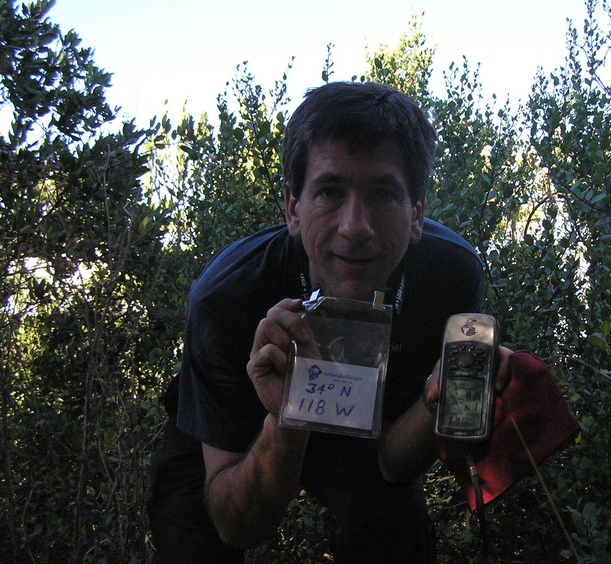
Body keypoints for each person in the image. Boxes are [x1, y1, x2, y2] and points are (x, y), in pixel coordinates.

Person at [148, 81, 513, 563]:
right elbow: (238, 526)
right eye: (329, 192)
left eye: (383, 194)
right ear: (292, 207)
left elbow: (391, 464)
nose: (355, 227)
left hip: (371, 430)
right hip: (234, 431)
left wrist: (436, 401)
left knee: (396, 535)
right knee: (192, 548)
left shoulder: (451, 275)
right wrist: (286, 414)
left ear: (418, 213)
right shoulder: (226, 297)